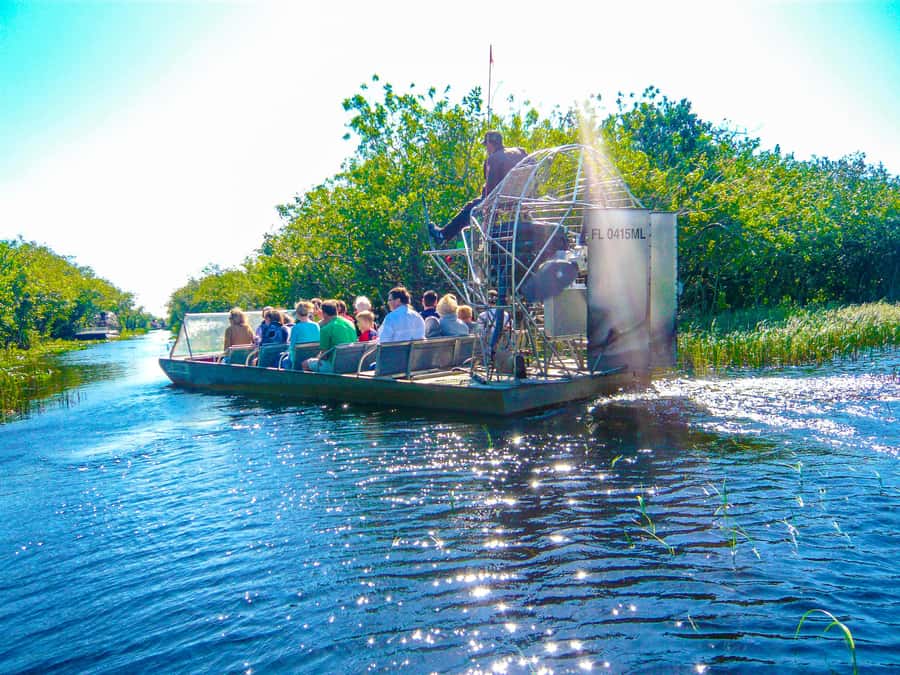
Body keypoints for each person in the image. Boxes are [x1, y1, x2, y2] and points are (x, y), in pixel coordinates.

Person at [427, 130, 527, 245]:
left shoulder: (493, 159)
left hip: (501, 200)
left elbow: (490, 192)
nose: (486, 149)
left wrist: (486, 215)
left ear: (490, 144)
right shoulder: (521, 152)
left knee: (470, 209)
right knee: (483, 203)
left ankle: (443, 235)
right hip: (522, 198)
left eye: (486, 145)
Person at [303, 300, 358, 372]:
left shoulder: (326, 329)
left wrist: (314, 358)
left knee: (305, 364)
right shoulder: (350, 323)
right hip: (352, 364)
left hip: (335, 366)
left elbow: (324, 356)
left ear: (324, 314)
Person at [286, 301, 320, 369]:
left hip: (298, 361)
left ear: (297, 314)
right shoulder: (316, 325)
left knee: (284, 361)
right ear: (308, 313)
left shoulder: (295, 328)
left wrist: (291, 359)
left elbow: (292, 346)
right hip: (314, 358)